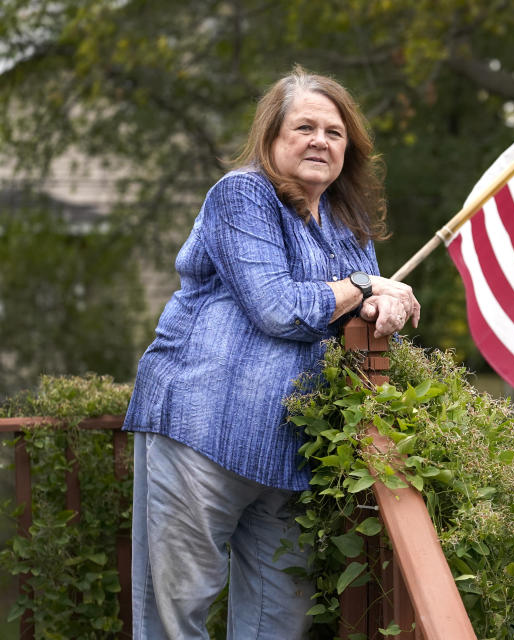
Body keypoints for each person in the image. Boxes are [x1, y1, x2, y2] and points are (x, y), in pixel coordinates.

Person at [122, 66, 420, 639]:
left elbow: (369, 321)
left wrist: (390, 308)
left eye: (334, 133)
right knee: (175, 614)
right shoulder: (243, 194)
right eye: (303, 127)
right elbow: (276, 306)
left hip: (289, 454)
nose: (320, 141)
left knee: (276, 624)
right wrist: (364, 289)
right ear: (272, 139)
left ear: (349, 150)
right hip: (200, 430)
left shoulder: (346, 223)